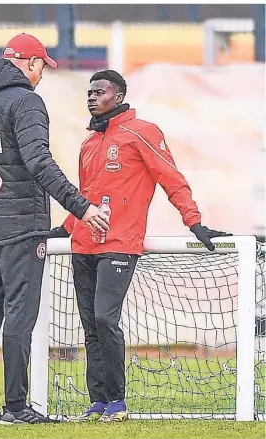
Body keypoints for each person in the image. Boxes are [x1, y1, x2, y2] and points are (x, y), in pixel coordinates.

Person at [50, 70, 232, 422]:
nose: (91, 96)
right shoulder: (89, 143)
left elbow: (171, 178)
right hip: (84, 245)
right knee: (90, 326)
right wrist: (66, 227)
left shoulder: (142, 132)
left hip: (120, 244)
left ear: (117, 96)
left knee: (105, 318)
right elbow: (85, 196)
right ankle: (98, 403)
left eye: (99, 91)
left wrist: (193, 221)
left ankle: (117, 403)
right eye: (89, 91)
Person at [0, 34, 109, 426]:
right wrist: (81, 206)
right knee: (20, 316)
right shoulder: (27, 101)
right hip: (22, 227)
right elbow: (39, 162)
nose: (42, 75)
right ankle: (17, 408)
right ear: (30, 63)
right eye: (42, 67)